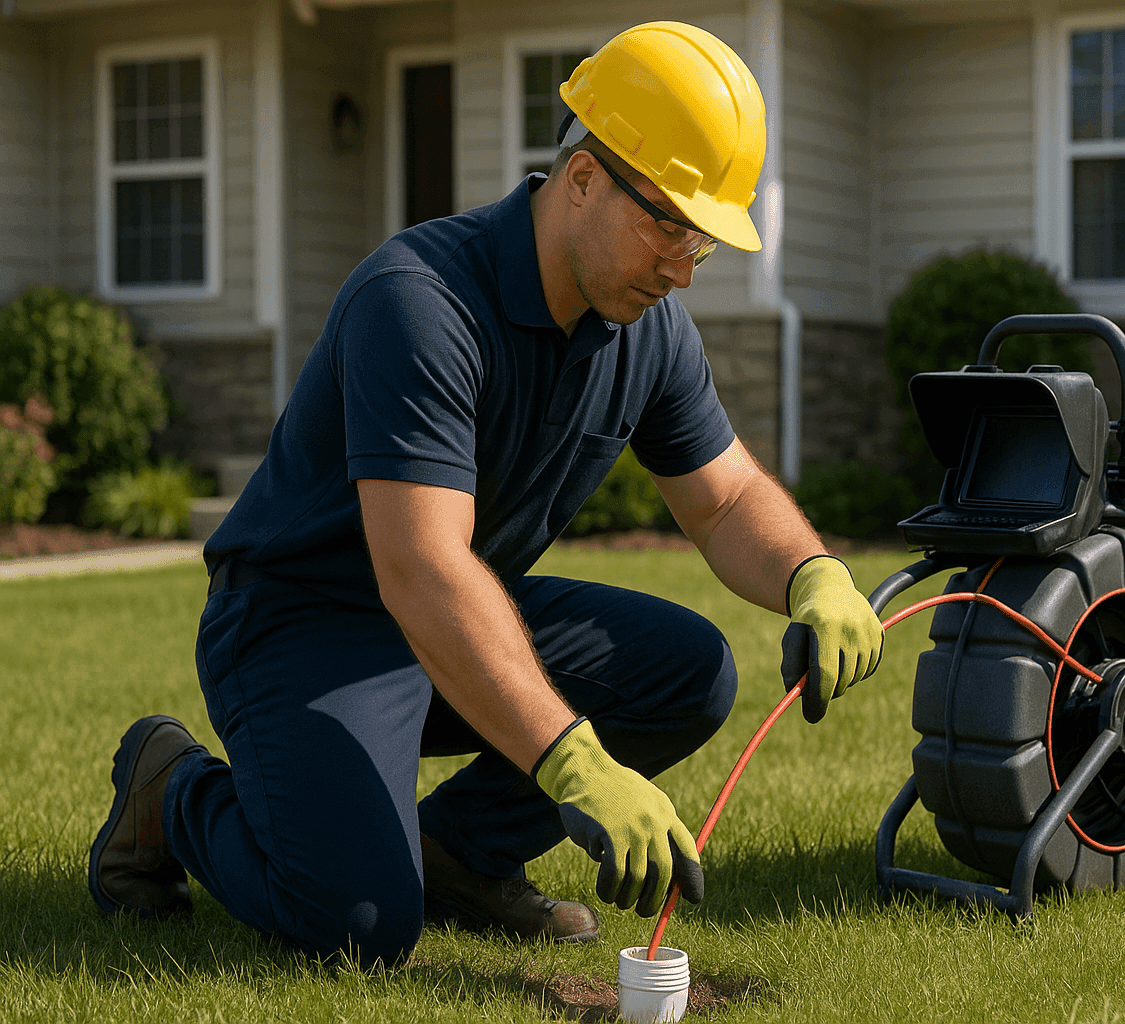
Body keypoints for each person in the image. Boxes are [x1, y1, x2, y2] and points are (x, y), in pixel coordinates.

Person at [85, 21, 884, 966]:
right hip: (303, 625)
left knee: (689, 671)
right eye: (669, 223)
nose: (681, 268)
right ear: (582, 178)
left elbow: (724, 498)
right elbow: (421, 567)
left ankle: (459, 853)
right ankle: (171, 787)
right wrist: (574, 762)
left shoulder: (648, 330)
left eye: (701, 241)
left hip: (451, 611)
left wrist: (812, 574)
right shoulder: (419, 301)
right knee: (358, 925)